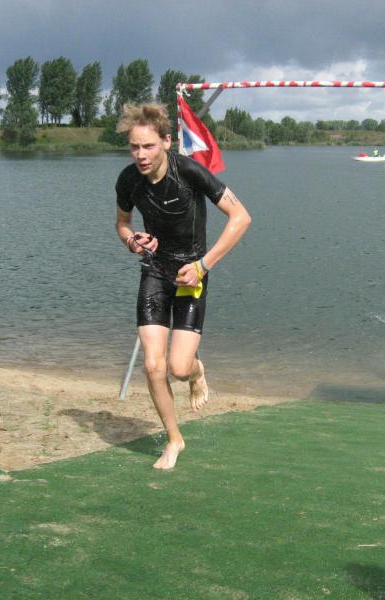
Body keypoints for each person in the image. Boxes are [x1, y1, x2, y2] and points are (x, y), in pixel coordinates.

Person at [114, 102, 251, 469]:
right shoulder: (128, 180)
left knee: (178, 367)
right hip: (155, 272)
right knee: (153, 366)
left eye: (148, 146)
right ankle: (174, 439)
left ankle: (196, 370)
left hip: (192, 275)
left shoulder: (190, 172)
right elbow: (122, 224)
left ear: (166, 142)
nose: (141, 155)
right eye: (134, 147)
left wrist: (203, 266)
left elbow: (241, 217)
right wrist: (132, 240)